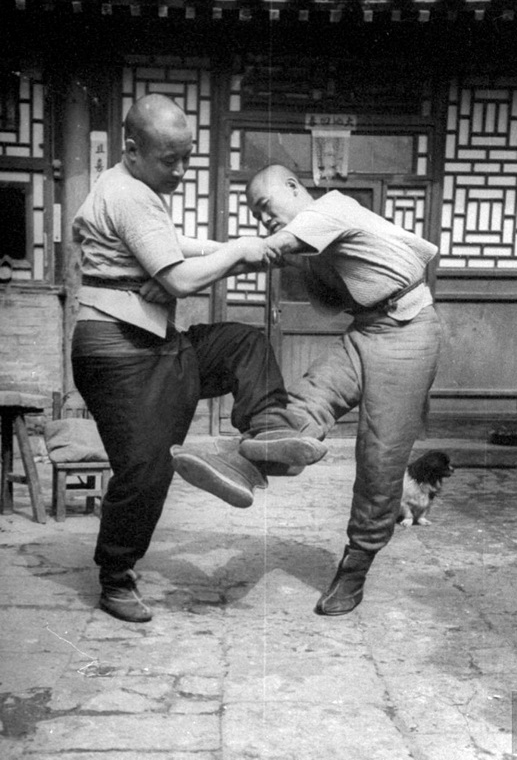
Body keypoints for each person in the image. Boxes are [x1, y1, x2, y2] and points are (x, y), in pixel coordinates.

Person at [71, 96, 325, 624]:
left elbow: (173, 245)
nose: (182, 172)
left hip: (159, 344)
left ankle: (267, 437)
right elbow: (181, 278)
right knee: (145, 470)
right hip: (119, 354)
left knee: (242, 343)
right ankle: (115, 578)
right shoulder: (130, 194)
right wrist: (238, 252)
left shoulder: (134, 189)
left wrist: (240, 246)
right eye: (171, 160)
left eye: (187, 158)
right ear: (133, 149)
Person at [241, 164, 443, 616]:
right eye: (256, 214)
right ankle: (254, 459)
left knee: (380, 456)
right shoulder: (310, 239)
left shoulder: (330, 208)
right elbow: (300, 272)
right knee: (308, 398)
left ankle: (355, 567)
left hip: (410, 333)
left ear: (293, 188)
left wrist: (191, 258)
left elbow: (269, 249)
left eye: (264, 206)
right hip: (367, 330)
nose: (263, 219)